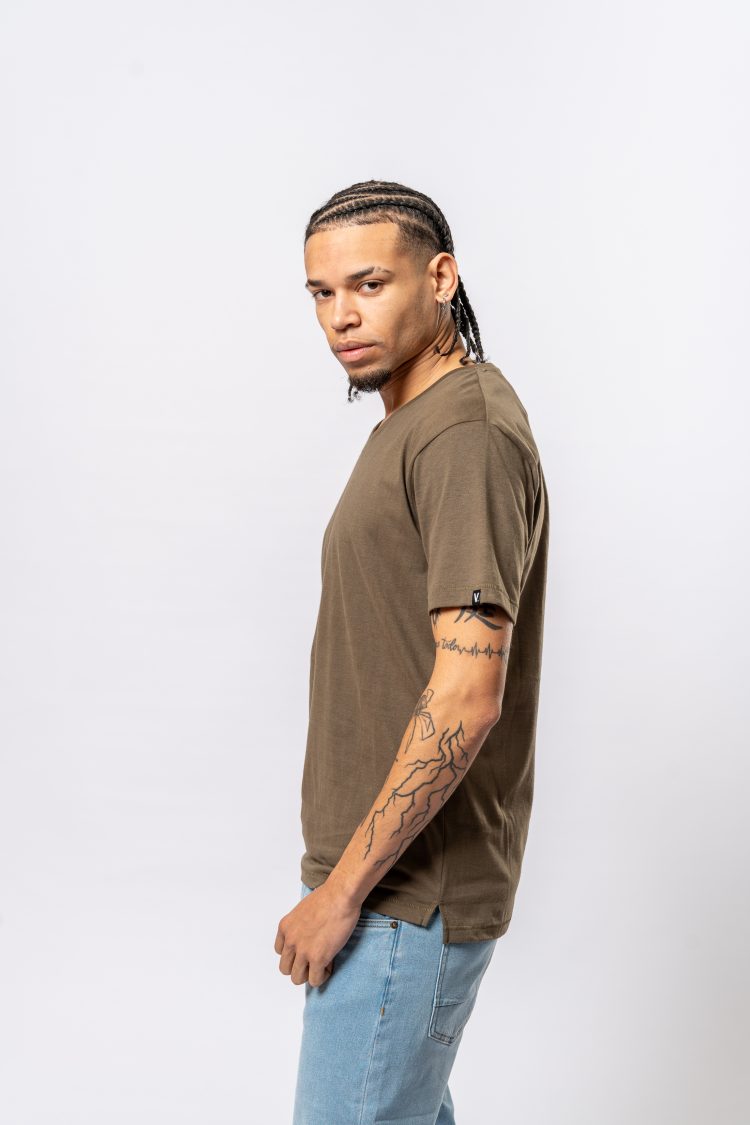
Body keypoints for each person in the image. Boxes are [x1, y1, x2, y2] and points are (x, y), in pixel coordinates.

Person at [274, 179, 550, 1124]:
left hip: (402, 897)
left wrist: (343, 892)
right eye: (321, 292)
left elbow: (469, 693)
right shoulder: (417, 421)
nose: (340, 316)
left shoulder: (464, 434)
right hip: (383, 886)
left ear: (439, 278)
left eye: (369, 284)